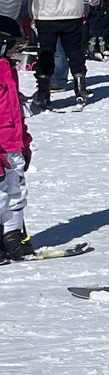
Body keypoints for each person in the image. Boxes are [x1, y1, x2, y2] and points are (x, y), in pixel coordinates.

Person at [20, 0, 98, 111]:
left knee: (46, 52)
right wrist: (93, 2)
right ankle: (80, 86)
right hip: (73, 16)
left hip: (46, 16)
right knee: (74, 51)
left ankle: (43, 90)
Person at [0, 18, 31, 260]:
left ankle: (13, 237)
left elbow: (15, 111)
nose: (17, 53)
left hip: (14, 145)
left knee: (17, 192)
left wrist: (25, 142)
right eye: (13, 48)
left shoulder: (9, 71)